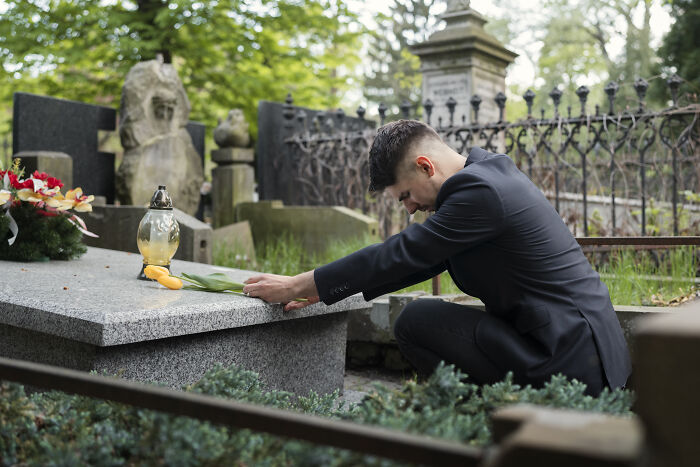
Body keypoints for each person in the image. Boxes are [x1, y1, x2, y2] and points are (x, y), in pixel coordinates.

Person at [243, 120, 632, 395]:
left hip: (569, 359)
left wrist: (298, 283)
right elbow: (423, 260)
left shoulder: (480, 191)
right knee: (422, 316)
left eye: (405, 195)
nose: (409, 209)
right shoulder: (489, 174)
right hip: (578, 347)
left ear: (425, 166)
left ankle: (479, 422)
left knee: (417, 321)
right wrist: (323, 289)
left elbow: (405, 251)